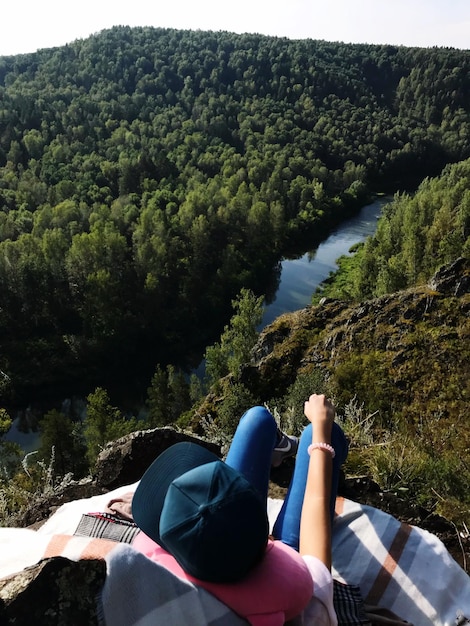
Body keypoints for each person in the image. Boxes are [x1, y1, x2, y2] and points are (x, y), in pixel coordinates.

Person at [131, 394, 348, 625]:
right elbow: (316, 499)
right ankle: (302, 444)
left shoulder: (169, 572)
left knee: (258, 418)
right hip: (289, 551)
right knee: (314, 434)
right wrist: (321, 426)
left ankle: (279, 446)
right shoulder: (308, 595)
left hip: (224, 539)